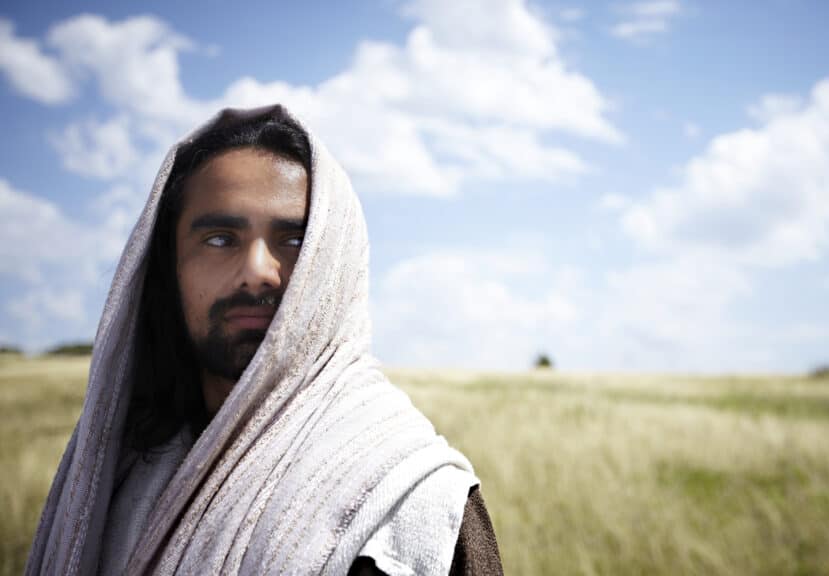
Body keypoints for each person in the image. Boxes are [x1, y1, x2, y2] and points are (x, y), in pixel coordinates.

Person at [26, 105, 503, 575]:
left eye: (294, 241)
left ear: (333, 265)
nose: (257, 273)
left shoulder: (407, 498)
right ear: (167, 269)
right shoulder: (121, 470)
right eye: (219, 238)